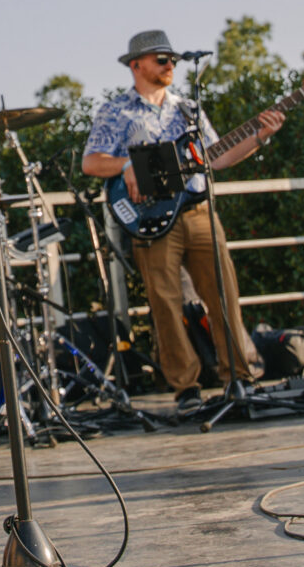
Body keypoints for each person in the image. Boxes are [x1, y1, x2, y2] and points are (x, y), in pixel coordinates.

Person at [82, 31, 280, 405]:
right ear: (136, 65)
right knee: (166, 304)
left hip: (199, 211)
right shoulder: (115, 111)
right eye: (161, 59)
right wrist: (126, 165)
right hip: (151, 219)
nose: (170, 65)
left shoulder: (188, 109)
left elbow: (217, 156)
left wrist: (259, 137)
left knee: (224, 295)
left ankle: (239, 378)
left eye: (172, 59)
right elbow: (91, 162)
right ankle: (185, 387)